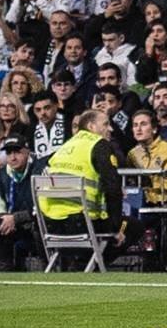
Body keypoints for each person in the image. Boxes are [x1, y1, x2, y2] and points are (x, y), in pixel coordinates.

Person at [35, 108, 137, 256]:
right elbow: (113, 188)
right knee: (134, 226)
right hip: (83, 223)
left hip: (50, 224)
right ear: (91, 126)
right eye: (106, 124)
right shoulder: (99, 145)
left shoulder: (63, 148)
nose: (111, 129)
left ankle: (82, 262)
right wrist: (115, 229)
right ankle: (94, 264)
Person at [0, 134, 37, 271]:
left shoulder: (38, 169)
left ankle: (47, 265)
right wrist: (2, 218)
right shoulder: (2, 174)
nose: (13, 157)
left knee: (38, 227)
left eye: (17, 152)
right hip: (12, 223)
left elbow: (42, 205)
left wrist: (16, 218)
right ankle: (5, 266)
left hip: (34, 221)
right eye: (9, 153)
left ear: (27, 152)